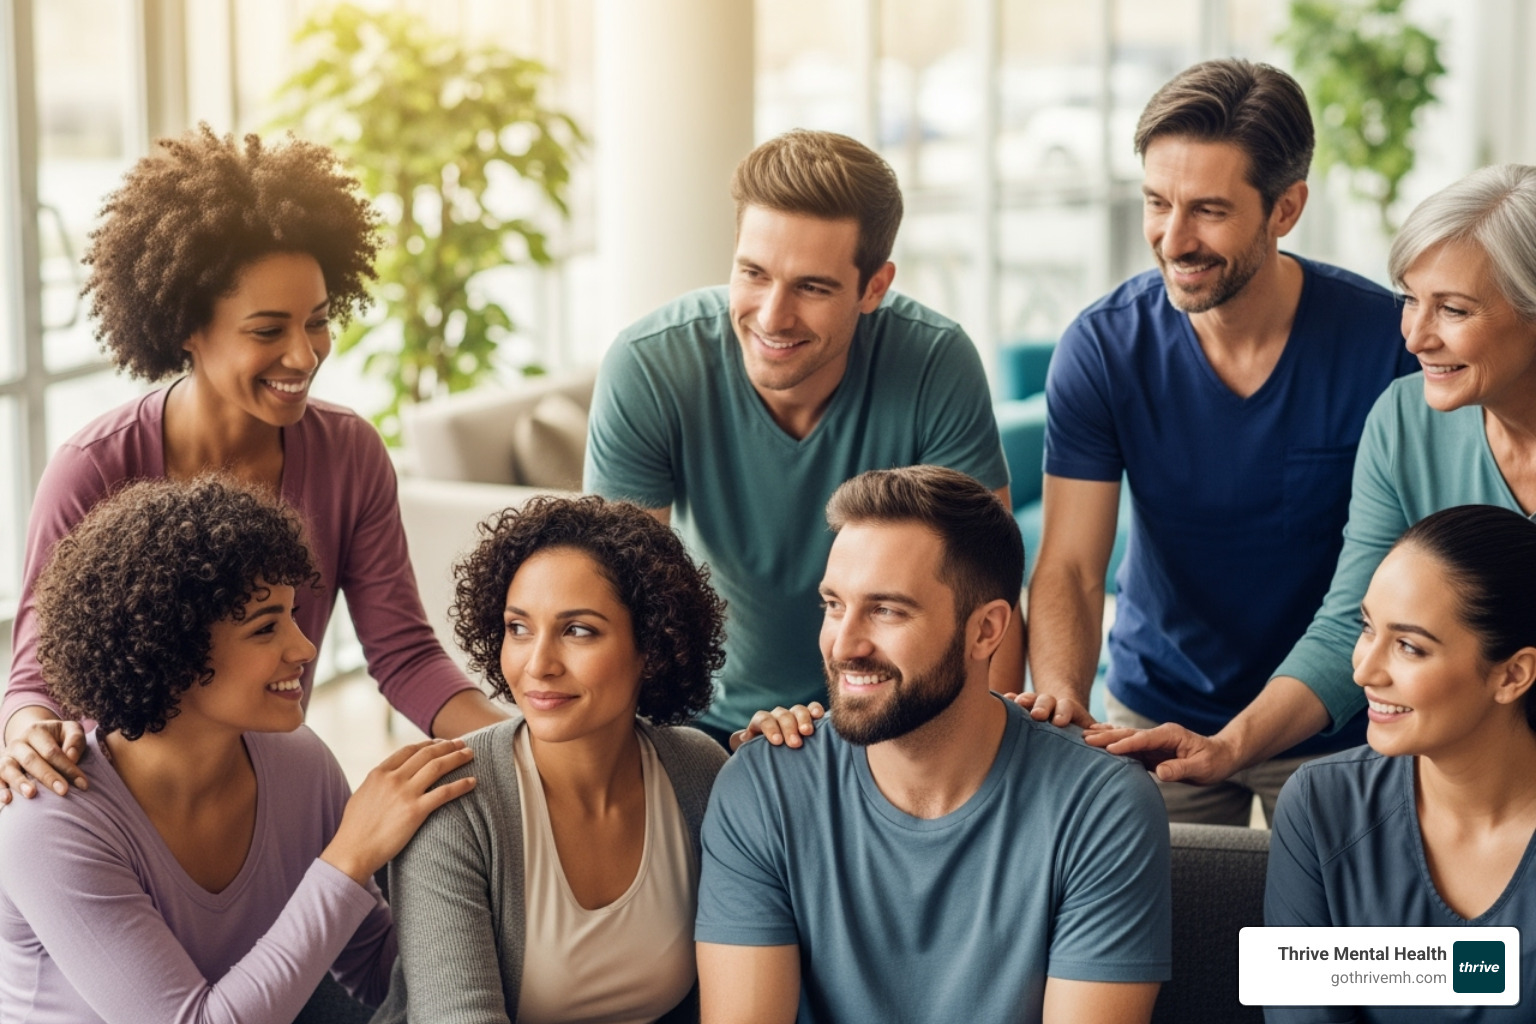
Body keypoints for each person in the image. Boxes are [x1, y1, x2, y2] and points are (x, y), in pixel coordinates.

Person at [1, 126, 505, 803]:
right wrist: (29, 732)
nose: (304, 355)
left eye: (318, 321)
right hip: (122, 802)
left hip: (266, 801)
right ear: (186, 326)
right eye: (267, 331)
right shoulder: (94, 467)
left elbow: (405, 655)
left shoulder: (348, 454)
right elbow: (37, 681)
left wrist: (520, 750)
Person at [1023, 58, 1417, 824]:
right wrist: (1067, 702)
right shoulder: (1104, 349)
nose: (1173, 238)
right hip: (1155, 713)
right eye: (1156, 203)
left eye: (1208, 209)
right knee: (1167, 938)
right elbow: (1070, 567)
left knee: (1335, 947)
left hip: (1338, 720)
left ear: (1286, 208)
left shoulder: (1386, 347)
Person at [1099, 163, 1536, 797]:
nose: (1415, 336)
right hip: (1461, 783)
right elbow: (1346, 626)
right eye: (1411, 299)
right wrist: (1228, 748)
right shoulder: (1403, 419)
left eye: (1454, 309)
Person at [584, 129, 1015, 746]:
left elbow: (984, 593)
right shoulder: (651, 364)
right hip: (699, 725)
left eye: (812, 287)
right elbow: (615, 603)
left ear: (874, 288)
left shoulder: (934, 362)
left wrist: (987, 760)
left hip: (887, 721)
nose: (771, 315)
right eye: (753, 274)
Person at [695, 466, 1169, 1024]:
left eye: (887, 610)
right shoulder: (762, 788)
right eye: (833, 605)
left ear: (987, 630)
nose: (844, 644)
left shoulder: (1103, 804)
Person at [0, 476, 476, 1023]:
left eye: (293, 615)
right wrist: (349, 856)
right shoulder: (51, 823)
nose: (304, 647)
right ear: (173, 652)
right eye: (265, 628)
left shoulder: (299, 762)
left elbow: (373, 968)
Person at [372, 494, 730, 1023]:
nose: (537, 664)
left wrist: (776, 771)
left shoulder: (699, 771)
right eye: (519, 628)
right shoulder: (454, 802)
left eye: (578, 630)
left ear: (651, 649)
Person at [1265, 505, 1536, 1022]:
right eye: (1367, 628)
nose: (1364, 670)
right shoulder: (1320, 806)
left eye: (1409, 647)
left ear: (1512, 675)